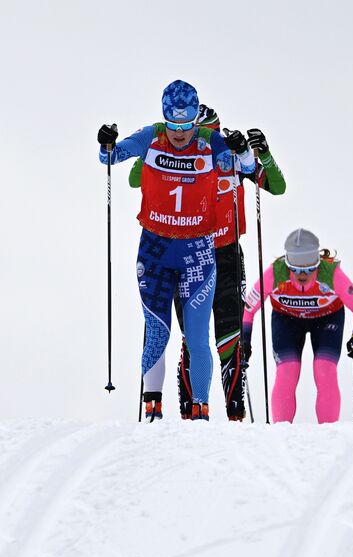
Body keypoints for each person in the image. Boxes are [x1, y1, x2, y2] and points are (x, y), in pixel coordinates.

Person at [97, 79, 255, 421]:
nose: (180, 133)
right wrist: (106, 142)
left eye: (186, 125)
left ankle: (201, 407)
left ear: (195, 120)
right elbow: (109, 157)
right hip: (155, 249)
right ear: (164, 118)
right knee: (157, 328)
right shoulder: (152, 136)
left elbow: (246, 169)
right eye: (174, 125)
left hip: (198, 251)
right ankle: (153, 405)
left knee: (197, 336)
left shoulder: (209, 141)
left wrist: (241, 150)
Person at [127, 105, 288, 420]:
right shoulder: (173, 156)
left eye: (210, 135)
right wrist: (145, 148)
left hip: (226, 253)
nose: (201, 144)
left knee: (229, 333)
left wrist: (262, 153)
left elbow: (277, 187)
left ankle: (235, 410)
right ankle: (191, 409)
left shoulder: (230, 155)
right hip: (186, 254)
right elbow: (136, 180)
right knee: (191, 333)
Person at [240, 229, 353, 423]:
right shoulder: (275, 273)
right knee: (287, 371)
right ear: (287, 264)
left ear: (318, 263)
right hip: (287, 320)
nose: (302, 275)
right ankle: (281, 431)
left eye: (310, 269)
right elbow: (248, 309)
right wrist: (245, 341)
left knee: (324, 369)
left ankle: (329, 433)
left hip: (327, 319)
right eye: (296, 269)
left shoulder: (332, 274)